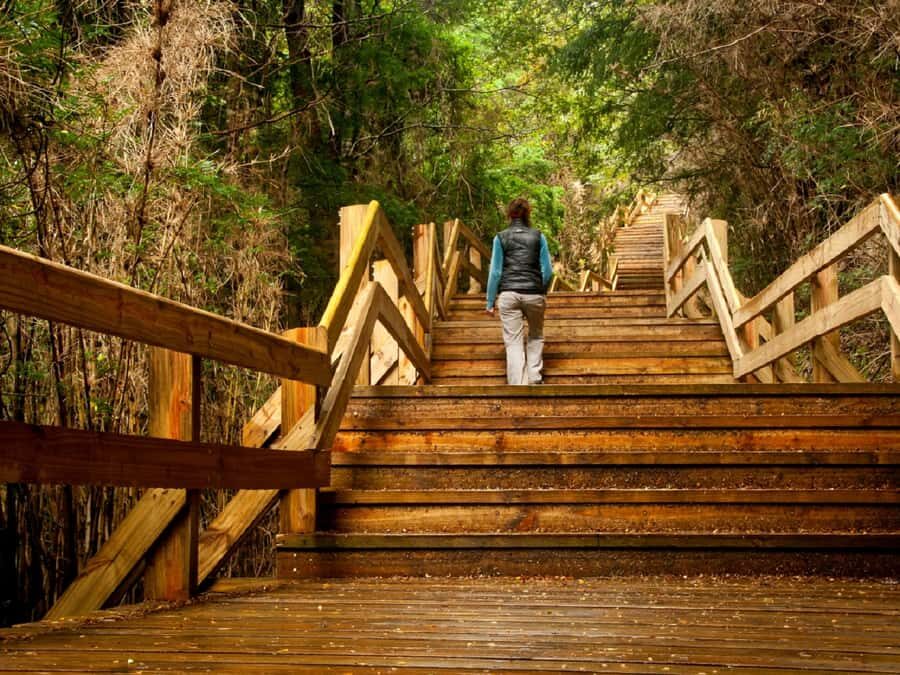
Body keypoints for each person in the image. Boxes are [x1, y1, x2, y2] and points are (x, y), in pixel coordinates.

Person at [485, 197, 554, 385]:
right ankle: (534, 377)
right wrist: (541, 290)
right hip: (534, 294)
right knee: (536, 335)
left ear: (509, 214)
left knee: (513, 341)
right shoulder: (539, 236)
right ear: (528, 213)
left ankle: (518, 384)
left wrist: (490, 301)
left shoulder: (500, 237)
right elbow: (547, 271)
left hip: (509, 294)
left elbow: (496, 272)